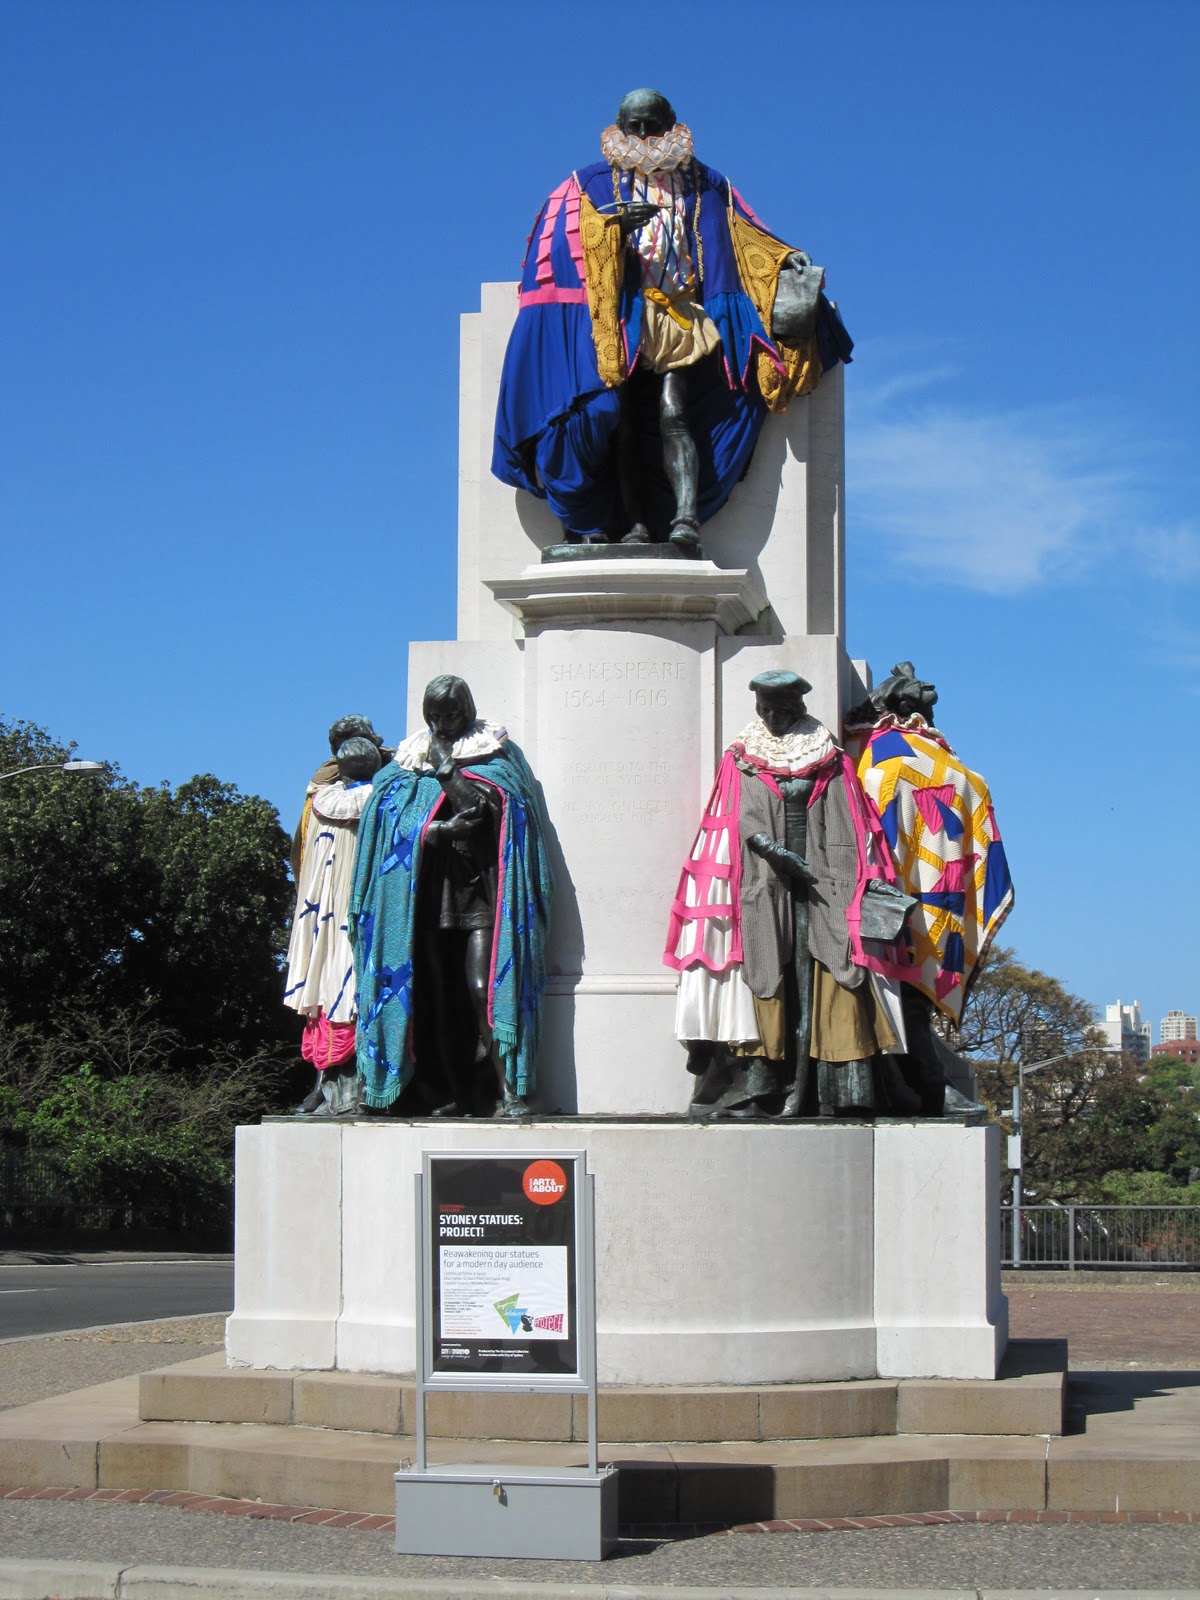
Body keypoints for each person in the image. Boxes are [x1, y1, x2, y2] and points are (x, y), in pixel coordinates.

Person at [492, 89, 853, 555]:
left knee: (673, 411)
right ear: (618, 129)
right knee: (615, 417)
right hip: (617, 320)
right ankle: (636, 523)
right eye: (634, 126)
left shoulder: (705, 182)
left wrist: (785, 259)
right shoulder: (587, 185)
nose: (644, 136)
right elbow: (558, 249)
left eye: (653, 125)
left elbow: (746, 235)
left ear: (673, 125)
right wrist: (612, 228)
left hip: (679, 314)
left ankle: (684, 521)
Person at [664, 671, 898, 1117]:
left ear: (797, 707)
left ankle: (822, 1090)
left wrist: (828, 868)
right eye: (765, 709)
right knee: (769, 967)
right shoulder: (741, 756)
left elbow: (850, 817)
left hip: (823, 879)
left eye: (780, 709)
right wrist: (769, 848)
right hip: (761, 878)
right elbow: (734, 814)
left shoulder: (828, 756)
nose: (772, 717)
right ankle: (764, 1084)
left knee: (826, 967)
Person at [349, 676, 554, 1118]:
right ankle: (448, 1092)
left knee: (483, 990)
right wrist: (435, 831)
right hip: (420, 897)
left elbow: (492, 810)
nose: (443, 724)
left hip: (478, 894)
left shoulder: (497, 754)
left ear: (468, 710)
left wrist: (447, 770)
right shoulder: (402, 765)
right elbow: (382, 829)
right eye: (435, 717)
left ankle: (507, 1090)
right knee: (434, 997)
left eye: (452, 715)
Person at [845, 663, 1013, 1114]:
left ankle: (925, 1078)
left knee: (912, 985)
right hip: (902, 890)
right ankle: (925, 1082)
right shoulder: (896, 759)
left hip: (920, 887)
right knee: (903, 986)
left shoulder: (883, 755)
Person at [284, 735, 382, 1116]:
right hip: (329, 916)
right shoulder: (324, 801)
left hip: (351, 915)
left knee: (350, 993)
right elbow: (305, 859)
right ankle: (328, 1088)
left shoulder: (376, 798)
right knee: (331, 992)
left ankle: (354, 1089)